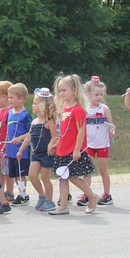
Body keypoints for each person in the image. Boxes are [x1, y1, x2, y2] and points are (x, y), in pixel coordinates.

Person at [49, 74, 99, 215]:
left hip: (73, 150)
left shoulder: (77, 109)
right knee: (62, 178)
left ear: (74, 91)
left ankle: (92, 196)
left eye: (64, 90)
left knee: (73, 177)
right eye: (59, 91)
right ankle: (63, 206)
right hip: (62, 149)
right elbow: (64, 131)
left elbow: (81, 130)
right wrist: (57, 143)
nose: (61, 93)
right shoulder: (64, 107)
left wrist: (77, 150)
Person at [20, 87, 59, 211]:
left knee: (45, 177)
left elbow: (54, 136)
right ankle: (42, 195)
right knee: (32, 175)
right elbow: (28, 137)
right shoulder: (35, 121)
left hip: (46, 153)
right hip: (36, 153)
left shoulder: (49, 121)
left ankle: (49, 200)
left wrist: (51, 144)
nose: (32, 105)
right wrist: (21, 150)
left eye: (35, 103)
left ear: (44, 106)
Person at [79, 77, 115, 206]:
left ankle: (107, 194)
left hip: (102, 144)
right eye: (96, 94)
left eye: (101, 94)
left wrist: (112, 131)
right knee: (87, 170)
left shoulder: (104, 108)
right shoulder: (84, 109)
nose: (99, 97)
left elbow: (111, 125)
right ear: (88, 95)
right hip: (89, 144)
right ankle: (87, 194)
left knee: (102, 169)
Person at [5, 83, 32, 205]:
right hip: (11, 149)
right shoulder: (10, 113)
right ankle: (21, 194)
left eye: (12, 97)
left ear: (21, 99)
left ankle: (23, 195)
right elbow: (8, 130)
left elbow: (31, 132)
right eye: (8, 97)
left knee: (21, 174)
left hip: (21, 149)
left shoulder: (25, 115)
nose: (9, 100)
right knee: (15, 174)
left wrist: (19, 138)